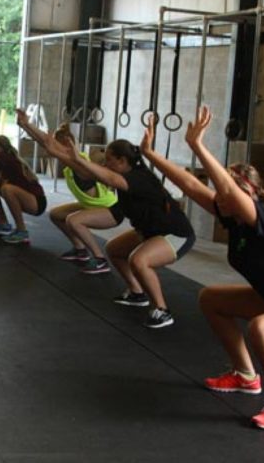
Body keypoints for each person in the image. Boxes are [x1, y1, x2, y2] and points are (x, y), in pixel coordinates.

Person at [141, 105, 264, 430]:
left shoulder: (258, 218)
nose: (221, 196)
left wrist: (198, 145)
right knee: (212, 298)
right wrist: (149, 154)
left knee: (263, 329)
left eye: (231, 191)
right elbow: (194, 186)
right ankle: (246, 376)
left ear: (248, 193)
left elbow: (225, 188)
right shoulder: (233, 217)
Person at [60, 121, 195, 328]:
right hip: (150, 231)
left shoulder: (139, 177)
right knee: (114, 249)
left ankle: (162, 310)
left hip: (176, 233)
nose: (105, 165)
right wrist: (32, 130)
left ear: (123, 161)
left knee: (139, 260)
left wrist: (79, 157)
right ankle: (137, 293)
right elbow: (90, 173)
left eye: (109, 161)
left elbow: (112, 179)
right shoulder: (122, 175)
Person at [16, 109, 123, 273]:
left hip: (109, 209)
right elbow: (44, 141)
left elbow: (45, 141)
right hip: (91, 205)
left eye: (55, 143)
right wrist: (25, 125)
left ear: (66, 146)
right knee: (56, 214)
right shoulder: (69, 164)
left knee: (73, 220)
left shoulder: (79, 163)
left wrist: (27, 125)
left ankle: (100, 260)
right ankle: (80, 250)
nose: (48, 147)